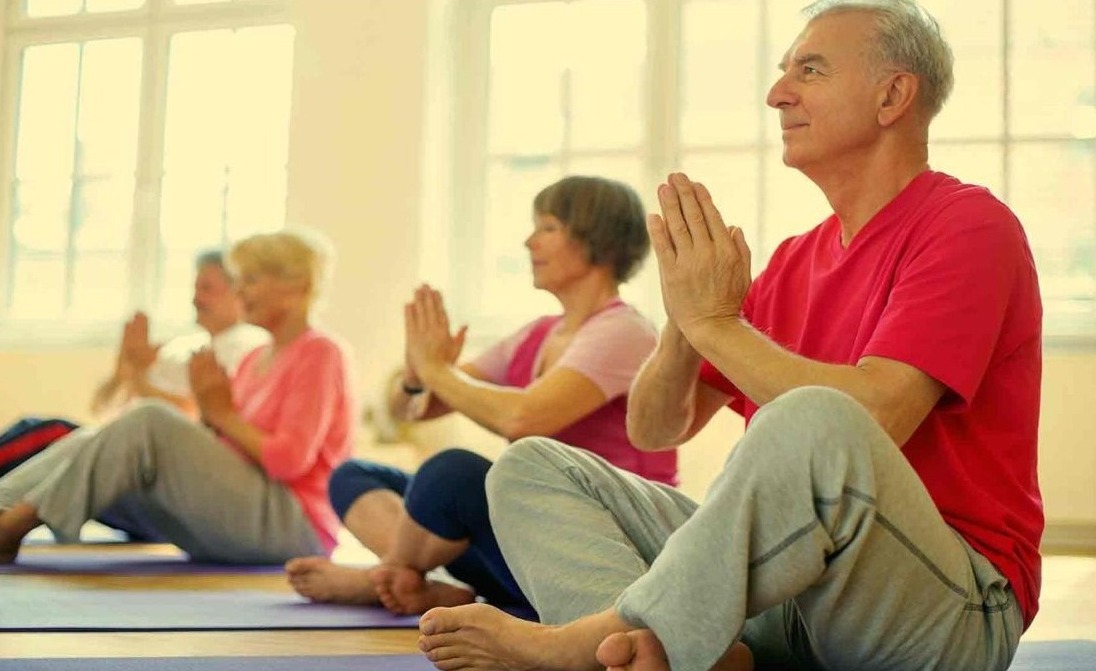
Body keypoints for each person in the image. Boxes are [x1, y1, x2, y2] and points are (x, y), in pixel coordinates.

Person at [415, 2, 1043, 671]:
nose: (778, 93)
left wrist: (718, 323)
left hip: (945, 609)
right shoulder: (794, 260)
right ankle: (652, 652)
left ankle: (596, 639)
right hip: (791, 603)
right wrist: (688, 325)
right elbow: (655, 428)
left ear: (892, 95)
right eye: (783, 72)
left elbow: (878, 413)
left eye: (809, 69)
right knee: (531, 466)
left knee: (815, 418)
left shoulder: (969, 225)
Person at [286, 176, 677, 615]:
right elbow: (414, 409)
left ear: (599, 241)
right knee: (353, 475)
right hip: (530, 544)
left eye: (547, 227)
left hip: (601, 548)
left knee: (451, 475)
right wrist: (417, 375)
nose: (530, 242)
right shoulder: (538, 334)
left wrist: (438, 370)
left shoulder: (622, 331)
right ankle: (416, 579)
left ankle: (387, 575)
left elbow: (522, 419)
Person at [0, 229, 356, 565]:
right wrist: (211, 415)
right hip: (243, 512)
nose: (241, 292)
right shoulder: (254, 359)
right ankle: (3, 506)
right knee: (96, 437)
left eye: (251, 280)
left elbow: (290, 461)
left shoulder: (321, 353)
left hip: (293, 526)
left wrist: (220, 414)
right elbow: (225, 444)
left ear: (297, 286)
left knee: (148, 419)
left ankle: (12, 527)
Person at [89, 250, 269, 421]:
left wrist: (138, 379)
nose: (195, 299)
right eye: (195, 288)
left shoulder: (249, 345)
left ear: (237, 293)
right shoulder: (182, 346)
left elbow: (199, 413)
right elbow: (100, 407)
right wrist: (123, 367)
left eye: (206, 289)